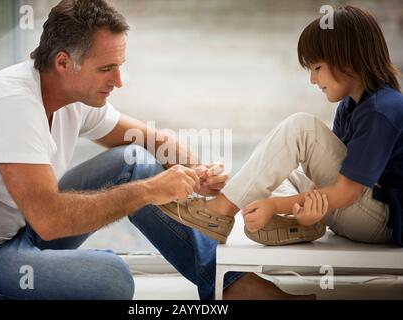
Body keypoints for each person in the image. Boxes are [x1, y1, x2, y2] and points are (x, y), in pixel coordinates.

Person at [0, 0, 315, 300]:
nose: (119, 81)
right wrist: (147, 192)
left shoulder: (72, 94)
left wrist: (198, 174)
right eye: (106, 69)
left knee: (134, 159)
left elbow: (150, 140)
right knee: (112, 280)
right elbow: (49, 220)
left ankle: (231, 285)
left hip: (20, 230)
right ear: (63, 63)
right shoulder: (13, 106)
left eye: (120, 67)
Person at [164, 5, 403, 247]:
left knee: (302, 128)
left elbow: (345, 193)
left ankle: (218, 212)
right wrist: (306, 209)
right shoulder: (350, 106)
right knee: (273, 175)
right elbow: (323, 175)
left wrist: (275, 205)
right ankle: (298, 222)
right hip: (355, 210)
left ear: (349, 60)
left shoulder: (382, 110)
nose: (312, 79)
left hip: (383, 222)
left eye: (317, 68)